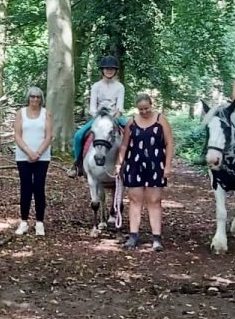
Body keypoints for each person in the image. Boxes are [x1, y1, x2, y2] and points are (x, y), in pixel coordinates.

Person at [114, 92, 174, 251]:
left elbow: (169, 143)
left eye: (146, 108)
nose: (144, 112)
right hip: (134, 164)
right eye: (141, 109)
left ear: (151, 105)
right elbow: (125, 145)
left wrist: (167, 166)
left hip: (155, 164)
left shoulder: (161, 120)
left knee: (154, 200)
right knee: (135, 200)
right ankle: (133, 235)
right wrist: (119, 163)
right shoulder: (131, 122)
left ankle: (156, 238)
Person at [67, 56, 126, 178]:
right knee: (78, 136)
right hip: (98, 117)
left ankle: (134, 164)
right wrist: (97, 116)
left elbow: (120, 107)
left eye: (112, 68)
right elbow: (92, 107)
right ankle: (77, 164)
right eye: (106, 68)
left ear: (115, 70)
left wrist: (115, 115)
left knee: (134, 130)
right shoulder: (96, 86)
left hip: (114, 117)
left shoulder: (120, 87)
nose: (109, 70)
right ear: (102, 70)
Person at [13, 86, 52, 236]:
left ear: (41, 99)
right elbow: (17, 135)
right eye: (32, 96)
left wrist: (38, 153)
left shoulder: (46, 113)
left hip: (42, 157)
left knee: (39, 187)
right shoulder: (20, 114)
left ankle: (40, 222)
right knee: (25, 188)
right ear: (28, 98)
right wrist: (29, 152)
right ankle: (23, 221)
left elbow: (48, 136)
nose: (35, 99)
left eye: (38, 97)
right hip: (23, 157)